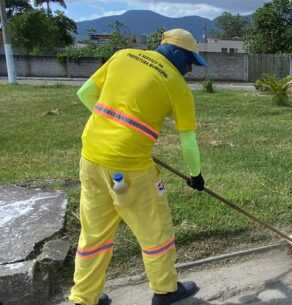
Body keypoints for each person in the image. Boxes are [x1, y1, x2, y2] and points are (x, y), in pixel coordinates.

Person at [68, 28, 207, 305]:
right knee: (156, 232)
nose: (190, 69)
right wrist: (196, 176)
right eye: (190, 62)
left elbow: (85, 94)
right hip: (131, 169)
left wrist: (116, 129)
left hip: (92, 159)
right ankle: (166, 291)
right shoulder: (177, 85)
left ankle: (84, 298)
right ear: (177, 53)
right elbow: (188, 142)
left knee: (94, 235)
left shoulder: (122, 56)